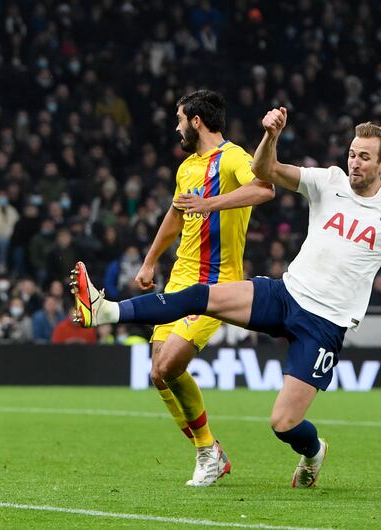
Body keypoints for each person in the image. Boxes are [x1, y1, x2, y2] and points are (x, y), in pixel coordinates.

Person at [70, 108, 381, 489]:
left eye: (365, 157)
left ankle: (314, 453)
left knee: (282, 423)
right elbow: (264, 172)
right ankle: (108, 310)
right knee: (198, 295)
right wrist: (271, 135)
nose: (355, 162)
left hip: (324, 325)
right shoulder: (328, 180)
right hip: (286, 294)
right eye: (353, 153)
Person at [125, 89, 274, 487]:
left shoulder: (234, 157)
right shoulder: (187, 168)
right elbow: (175, 215)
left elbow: (264, 189)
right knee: (158, 374)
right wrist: (150, 260)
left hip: (216, 284)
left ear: (196, 121)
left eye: (179, 119)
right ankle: (210, 452)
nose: (175, 127)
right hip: (180, 278)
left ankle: (208, 452)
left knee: (170, 365)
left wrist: (212, 204)